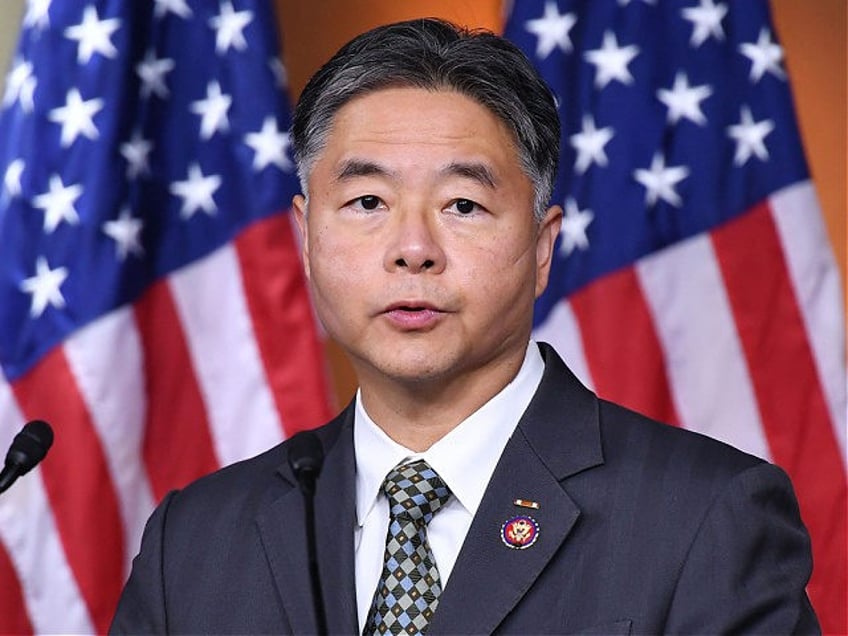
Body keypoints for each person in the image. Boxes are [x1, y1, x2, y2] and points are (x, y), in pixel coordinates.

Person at [110, 18, 819, 635]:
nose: (412, 247)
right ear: (305, 238)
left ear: (543, 248)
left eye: (462, 205)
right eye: (365, 201)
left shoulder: (704, 519)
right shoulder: (196, 542)